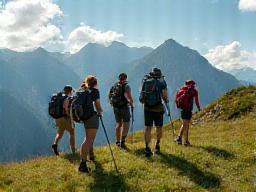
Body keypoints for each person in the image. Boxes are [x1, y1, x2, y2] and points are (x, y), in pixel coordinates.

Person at [139, 68, 169, 157]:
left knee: (148, 127)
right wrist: (166, 101)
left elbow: (142, 95)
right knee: (159, 127)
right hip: (158, 108)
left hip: (147, 108)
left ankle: (147, 148)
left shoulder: (146, 80)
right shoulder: (162, 82)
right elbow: (165, 96)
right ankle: (157, 145)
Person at [78, 75, 103, 173]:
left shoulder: (82, 90)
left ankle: (90, 156)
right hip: (91, 117)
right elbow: (97, 105)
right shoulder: (95, 91)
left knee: (88, 138)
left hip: (84, 117)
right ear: (95, 83)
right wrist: (100, 112)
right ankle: (82, 164)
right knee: (88, 139)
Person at [108, 73, 134, 149]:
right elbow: (129, 96)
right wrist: (131, 104)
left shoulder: (115, 85)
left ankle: (117, 141)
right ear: (126, 78)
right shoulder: (126, 86)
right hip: (124, 107)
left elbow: (109, 95)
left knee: (119, 124)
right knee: (126, 123)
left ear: (119, 78)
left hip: (116, 108)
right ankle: (122, 141)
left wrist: (112, 103)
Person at [175, 80, 201, 146]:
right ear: (192, 84)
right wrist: (199, 108)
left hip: (182, 109)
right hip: (188, 109)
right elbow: (196, 101)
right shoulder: (194, 91)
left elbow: (177, 99)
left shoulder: (181, 89)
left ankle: (179, 138)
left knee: (184, 124)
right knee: (186, 125)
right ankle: (186, 141)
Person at [52, 85, 75, 156]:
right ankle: (73, 151)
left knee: (60, 132)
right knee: (72, 133)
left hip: (57, 118)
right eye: (72, 91)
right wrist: (70, 117)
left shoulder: (59, 97)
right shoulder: (67, 98)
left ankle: (55, 144)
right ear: (69, 91)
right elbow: (66, 109)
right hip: (65, 118)